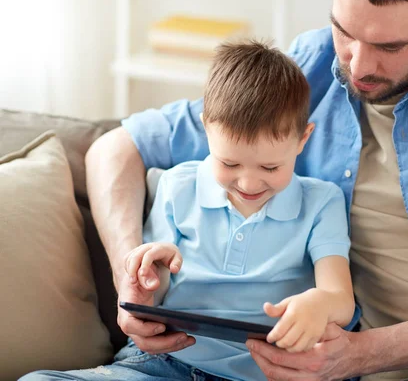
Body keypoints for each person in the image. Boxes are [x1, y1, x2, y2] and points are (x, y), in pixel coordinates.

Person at [32, 0, 408, 380]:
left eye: (389, 46)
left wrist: (357, 355)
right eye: (345, 31)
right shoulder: (309, 67)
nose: (355, 66)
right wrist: (129, 277)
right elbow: (117, 147)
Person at [21, 42, 356, 381]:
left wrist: (319, 305)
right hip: (164, 364)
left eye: (270, 167)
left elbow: (340, 299)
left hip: (267, 373)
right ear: (206, 127)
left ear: (303, 139)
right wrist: (146, 280)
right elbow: (156, 290)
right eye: (229, 162)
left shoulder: (321, 203)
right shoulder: (178, 186)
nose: (249, 182)